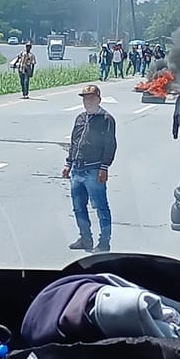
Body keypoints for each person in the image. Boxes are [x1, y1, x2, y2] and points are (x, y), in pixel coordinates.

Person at [62, 84, 117, 253]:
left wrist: (104, 167)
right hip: (77, 170)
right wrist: (68, 163)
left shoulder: (106, 119)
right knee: (78, 207)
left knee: (100, 207)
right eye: (85, 98)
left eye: (92, 98)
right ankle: (85, 238)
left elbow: (110, 144)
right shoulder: (80, 118)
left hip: (94, 170)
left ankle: (104, 242)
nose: (88, 101)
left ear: (99, 99)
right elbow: (74, 143)